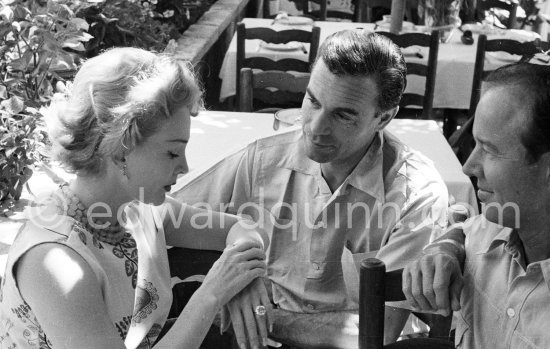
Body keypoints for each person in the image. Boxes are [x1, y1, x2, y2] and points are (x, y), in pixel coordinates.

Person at [173, 30, 449, 348]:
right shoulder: (262, 159)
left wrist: (264, 317)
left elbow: (379, 331)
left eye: (343, 115)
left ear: (384, 118)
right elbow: (160, 213)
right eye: (313, 101)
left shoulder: (418, 196)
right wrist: (238, 275)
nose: (316, 128)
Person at [0, 47, 271, 349]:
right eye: (171, 151)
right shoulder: (54, 260)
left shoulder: (135, 210)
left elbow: (246, 228)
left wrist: (244, 274)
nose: (184, 166)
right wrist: (212, 293)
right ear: (120, 148)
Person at [402, 63, 550, 348]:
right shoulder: (499, 226)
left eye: (490, 150)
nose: (468, 166)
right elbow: (466, 230)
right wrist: (445, 249)